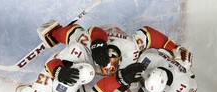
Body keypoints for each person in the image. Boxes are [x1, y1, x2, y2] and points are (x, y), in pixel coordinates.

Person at [37, 21, 192, 81]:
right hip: (97, 38)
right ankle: (56, 32)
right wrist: (58, 71)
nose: (107, 71)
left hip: (117, 36)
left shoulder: (130, 49)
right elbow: (95, 30)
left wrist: (174, 47)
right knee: (76, 37)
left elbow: (148, 34)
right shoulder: (85, 49)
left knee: (144, 67)